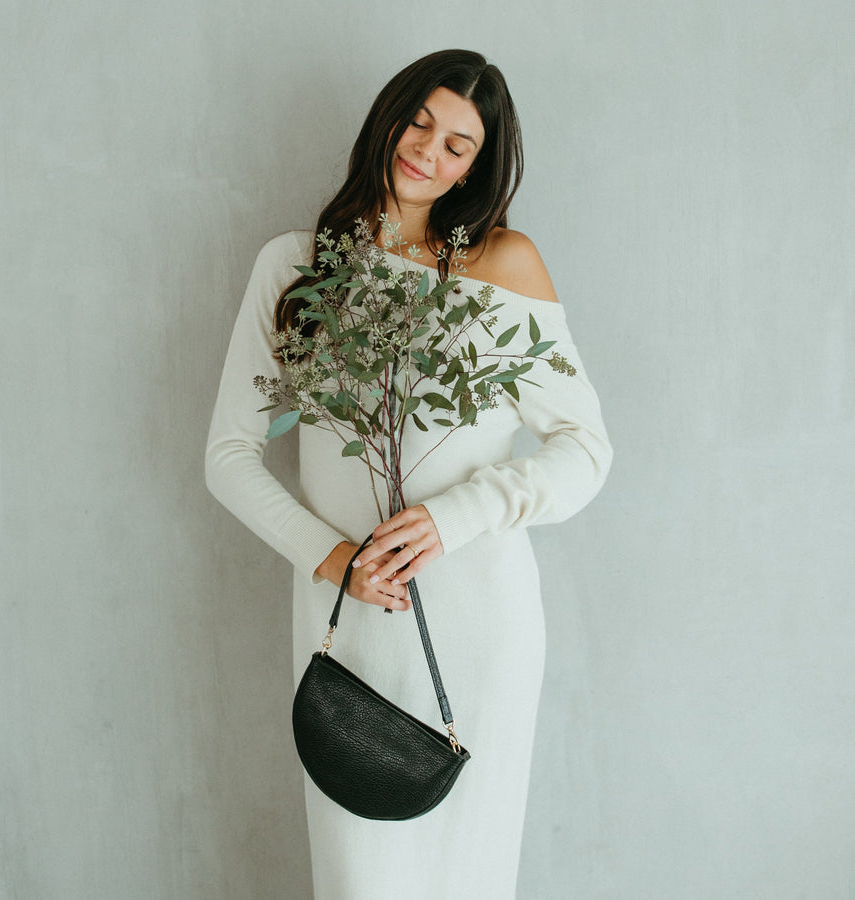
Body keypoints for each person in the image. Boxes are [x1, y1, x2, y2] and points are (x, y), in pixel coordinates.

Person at [205, 49, 612, 900]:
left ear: (477, 166)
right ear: (388, 116)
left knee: (470, 880)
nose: (428, 150)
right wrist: (333, 558)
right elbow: (229, 457)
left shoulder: (502, 268)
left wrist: (456, 516)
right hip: (346, 620)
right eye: (420, 120)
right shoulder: (296, 265)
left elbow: (584, 451)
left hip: (480, 627)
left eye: (459, 144)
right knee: (361, 883)